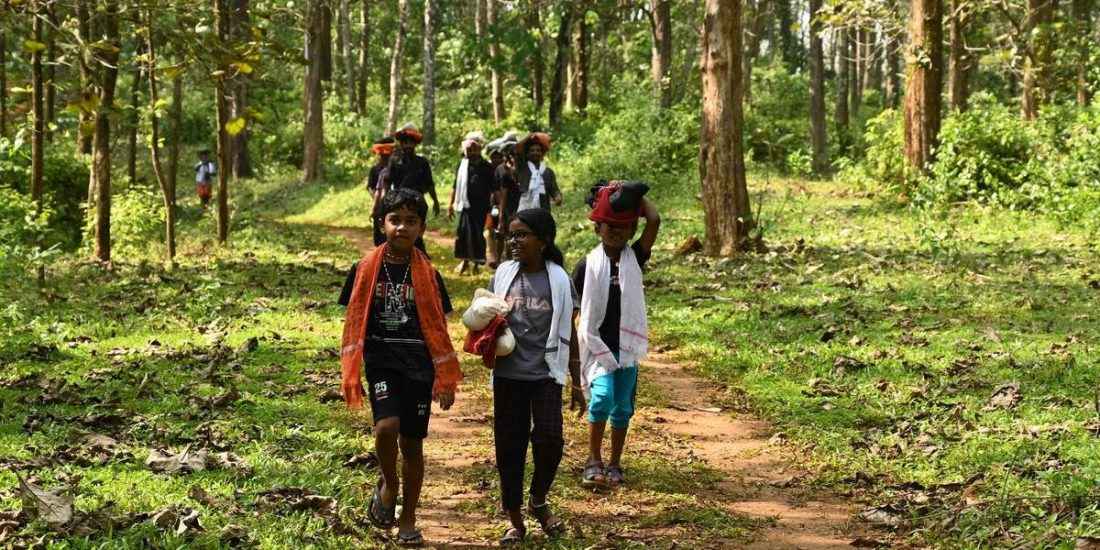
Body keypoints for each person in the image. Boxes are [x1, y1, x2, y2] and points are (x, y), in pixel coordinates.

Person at [337, 188, 462, 547]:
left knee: (412, 444)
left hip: (419, 367)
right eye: (395, 220)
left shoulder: (430, 274)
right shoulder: (364, 269)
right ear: (382, 224)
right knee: (386, 426)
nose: (402, 228)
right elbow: (355, 315)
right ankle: (390, 486)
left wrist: (444, 378)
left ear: (421, 227)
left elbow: (439, 328)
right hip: (382, 362)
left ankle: (408, 516)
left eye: (410, 221)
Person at [488, 208, 585, 545]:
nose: (514, 241)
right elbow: (487, 319)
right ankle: (515, 519)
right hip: (508, 376)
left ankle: (538, 499)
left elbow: (569, 332)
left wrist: (577, 380)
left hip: (545, 374)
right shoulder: (502, 274)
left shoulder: (558, 279)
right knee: (509, 446)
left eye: (522, 235)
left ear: (542, 241)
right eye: (512, 235)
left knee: (550, 440)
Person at [573, 181, 660, 489]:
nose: (617, 231)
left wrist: (631, 197)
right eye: (610, 225)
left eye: (624, 226)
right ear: (598, 228)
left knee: (623, 406)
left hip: (626, 346)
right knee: (601, 400)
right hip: (597, 345)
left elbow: (655, 220)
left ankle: (615, 462)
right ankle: (593, 458)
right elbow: (574, 310)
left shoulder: (635, 257)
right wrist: (572, 358)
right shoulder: (587, 265)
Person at [448, 131, 496, 276]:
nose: (470, 152)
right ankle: (465, 261)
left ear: (479, 149)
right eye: (468, 149)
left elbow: (492, 189)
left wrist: (492, 208)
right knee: (462, 233)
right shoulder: (462, 165)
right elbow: (455, 186)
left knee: (477, 235)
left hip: (481, 207)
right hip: (464, 205)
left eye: (473, 149)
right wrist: (450, 205)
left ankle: (476, 263)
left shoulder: (487, 167)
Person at [385, 123, 441, 217]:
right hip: (399, 201)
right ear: (401, 143)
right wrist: (385, 200)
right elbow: (387, 182)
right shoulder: (394, 160)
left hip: (417, 201)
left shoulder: (422, 162)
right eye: (405, 142)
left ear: (415, 144)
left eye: (411, 142)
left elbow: (430, 184)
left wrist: (435, 201)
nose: (408, 145)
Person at [514, 133, 562, 212]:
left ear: (542, 154)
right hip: (525, 209)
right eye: (532, 151)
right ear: (527, 154)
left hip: (543, 210)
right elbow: (518, 148)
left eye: (538, 150)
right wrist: (531, 135)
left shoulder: (548, 172)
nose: (535, 153)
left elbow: (554, 190)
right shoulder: (523, 168)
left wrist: (558, 198)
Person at [368, 135, 397, 246]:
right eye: (382, 153)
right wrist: (377, 201)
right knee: (379, 237)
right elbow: (371, 187)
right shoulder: (375, 170)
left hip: (395, 206)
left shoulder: (397, 168)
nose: (384, 156)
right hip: (380, 206)